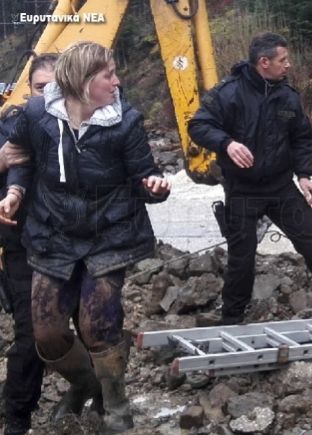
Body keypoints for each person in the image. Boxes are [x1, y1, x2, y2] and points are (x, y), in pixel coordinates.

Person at [0, 41, 171, 433]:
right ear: (82, 80)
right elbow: (19, 158)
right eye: (108, 74)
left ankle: (116, 406)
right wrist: (14, 193)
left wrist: (154, 186)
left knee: (98, 325)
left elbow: (142, 173)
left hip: (109, 233)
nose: (117, 80)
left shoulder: (125, 120)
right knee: (47, 333)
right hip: (52, 233)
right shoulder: (37, 115)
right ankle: (84, 384)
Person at [188, 32, 312, 328]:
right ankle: (232, 319)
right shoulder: (228, 92)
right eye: (283, 60)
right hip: (242, 189)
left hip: (281, 187)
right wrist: (227, 143)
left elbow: (300, 138)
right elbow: (198, 125)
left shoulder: (288, 96)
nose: (288, 65)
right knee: (241, 258)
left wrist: (304, 174)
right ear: (264, 62)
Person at [0, 53, 57, 435]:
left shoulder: (91, 125)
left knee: (91, 329)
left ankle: (96, 394)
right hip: (20, 243)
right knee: (31, 332)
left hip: (73, 244)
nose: (46, 96)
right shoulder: (9, 127)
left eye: (56, 87)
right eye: (39, 88)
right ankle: (16, 416)